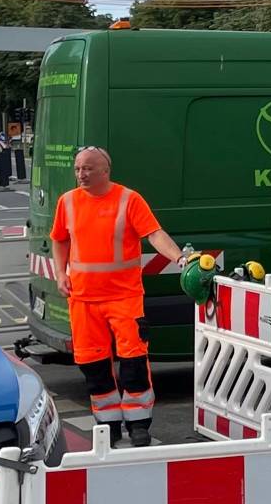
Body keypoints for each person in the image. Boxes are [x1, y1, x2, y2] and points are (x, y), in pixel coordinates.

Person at [50, 147, 188, 447]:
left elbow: (154, 233)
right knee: (93, 365)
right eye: (77, 169)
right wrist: (61, 275)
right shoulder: (68, 202)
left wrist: (179, 258)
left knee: (134, 363)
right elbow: (59, 240)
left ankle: (139, 424)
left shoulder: (128, 199)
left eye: (87, 168)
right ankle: (108, 424)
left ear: (105, 171)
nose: (80, 174)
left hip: (123, 298)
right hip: (83, 299)